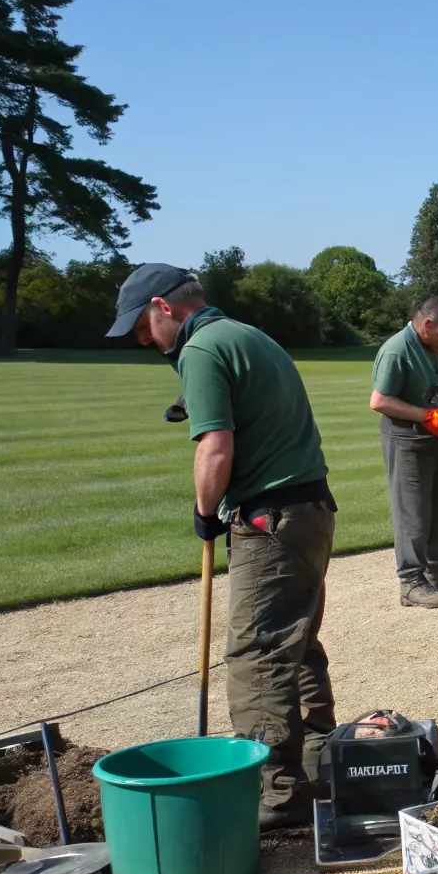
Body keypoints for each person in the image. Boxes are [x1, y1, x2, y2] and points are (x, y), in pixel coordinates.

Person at [107, 263, 338, 830]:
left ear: (164, 307)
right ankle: (319, 765)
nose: (144, 343)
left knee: (257, 653)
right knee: (296, 642)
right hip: (309, 510)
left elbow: (215, 447)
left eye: (143, 329)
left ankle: (276, 793)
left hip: (269, 520)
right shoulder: (246, 335)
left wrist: (205, 512)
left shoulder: (202, 348)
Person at [369, 296, 438, 609]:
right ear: (427, 324)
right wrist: (424, 416)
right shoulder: (396, 350)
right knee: (413, 516)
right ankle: (411, 583)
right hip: (408, 443)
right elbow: (379, 401)